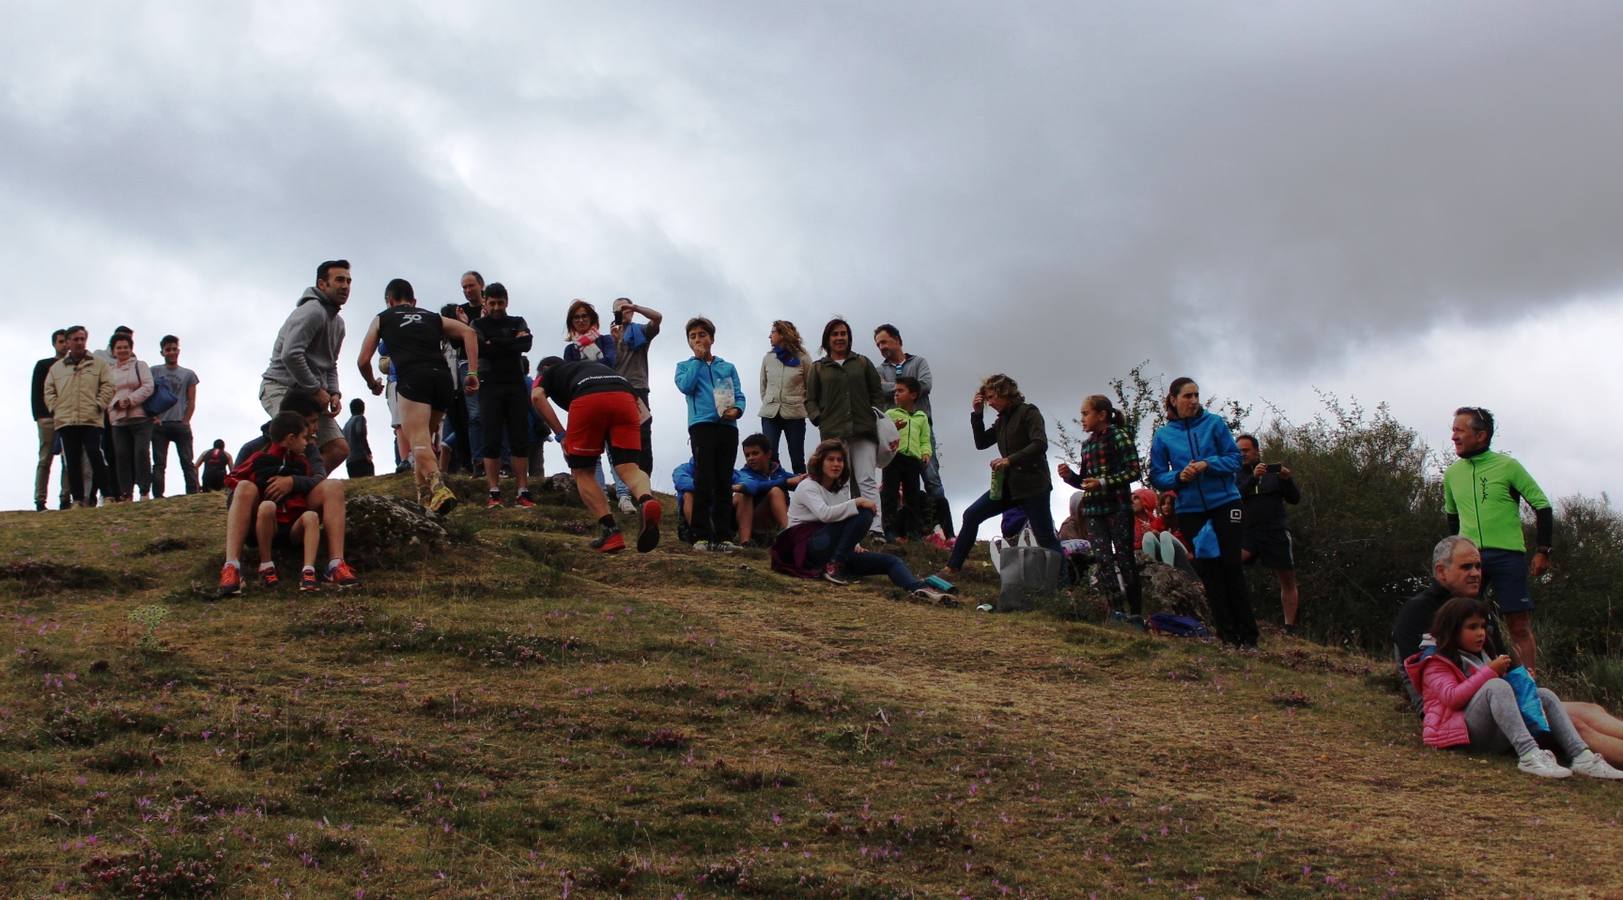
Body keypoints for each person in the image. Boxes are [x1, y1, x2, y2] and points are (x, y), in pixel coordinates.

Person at [1393, 535, 1623, 766]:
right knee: (1575, 722)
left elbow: (1501, 664)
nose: (1475, 573)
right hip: (1455, 714)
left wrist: (1520, 680)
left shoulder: (1478, 611)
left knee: (1589, 709)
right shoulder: (1418, 612)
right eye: (1466, 567)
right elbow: (1430, 683)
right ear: (1441, 571)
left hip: (1494, 697)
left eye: (1478, 566)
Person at [1404, 596, 1621, 779]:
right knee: (1495, 685)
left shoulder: (1479, 657)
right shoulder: (1435, 662)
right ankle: (1528, 755)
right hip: (1459, 736)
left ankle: (1581, 756)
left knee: (1543, 694)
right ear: (1452, 630)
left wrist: (1521, 681)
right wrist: (1490, 672)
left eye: (1482, 627)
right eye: (1472, 627)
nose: (1481, 633)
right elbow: (1453, 698)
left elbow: (1497, 695)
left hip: (1486, 732)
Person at [771, 439, 952, 604]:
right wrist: (856, 502)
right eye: (830, 460)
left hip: (833, 550)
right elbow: (825, 515)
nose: (836, 464)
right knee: (864, 510)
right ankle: (834, 567)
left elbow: (842, 518)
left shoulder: (840, 488)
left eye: (840, 460)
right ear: (820, 462)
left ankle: (919, 589)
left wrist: (854, 542)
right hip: (806, 548)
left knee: (891, 561)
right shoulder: (808, 486)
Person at [1148, 377, 1257, 648]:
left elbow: (1235, 459)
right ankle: (1227, 636)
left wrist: (1208, 464)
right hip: (1191, 510)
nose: (1194, 401)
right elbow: (1158, 476)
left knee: (1232, 566)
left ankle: (1249, 636)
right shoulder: (1163, 436)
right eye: (1188, 396)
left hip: (1226, 502)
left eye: (1196, 395)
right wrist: (1179, 477)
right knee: (1210, 571)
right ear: (1173, 399)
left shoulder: (1214, 423)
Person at [1443, 406, 1552, 674]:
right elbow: (1452, 518)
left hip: (1507, 555)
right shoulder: (1452, 474)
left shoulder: (1507, 466)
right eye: (1453, 430)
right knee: (1463, 619)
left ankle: (1529, 687)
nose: (1454, 436)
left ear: (1481, 436)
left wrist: (1543, 551)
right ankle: (1466, 678)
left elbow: (1543, 506)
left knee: (1518, 623)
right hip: (1470, 558)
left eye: (1460, 430)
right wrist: (1453, 556)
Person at [357, 277, 479, 514]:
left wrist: (372, 383)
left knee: (418, 441)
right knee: (424, 440)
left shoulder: (383, 317)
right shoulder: (432, 316)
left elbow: (363, 360)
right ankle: (423, 497)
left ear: (389, 300)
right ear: (414, 301)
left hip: (413, 379)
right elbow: (469, 333)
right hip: (442, 379)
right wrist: (472, 371)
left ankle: (438, 486)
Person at [936, 374, 1063, 583]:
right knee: (971, 514)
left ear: (1006, 393)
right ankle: (952, 567)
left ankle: (1064, 585)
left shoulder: (1028, 412)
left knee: (1045, 536)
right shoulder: (1002, 420)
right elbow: (982, 442)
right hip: (1009, 485)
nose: (990, 402)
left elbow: (1040, 444)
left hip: (1033, 486)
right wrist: (977, 415)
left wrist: (1010, 460)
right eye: (987, 398)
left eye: (992, 396)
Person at [531, 356, 662, 554]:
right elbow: (643, 415)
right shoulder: (595, 366)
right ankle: (646, 500)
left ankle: (611, 532)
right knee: (629, 468)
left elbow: (536, 397)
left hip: (587, 397)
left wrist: (561, 435)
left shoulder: (548, 373)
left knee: (582, 471)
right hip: (626, 396)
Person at [219, 410, 359, 596]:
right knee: (244, 486)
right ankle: (232, 567)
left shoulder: (308, 450)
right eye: (310, 425)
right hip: (263, 519)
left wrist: (292, 481)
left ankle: (335, 564)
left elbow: (319, 477)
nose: (314, 431)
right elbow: (233, 490)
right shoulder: (253, 449)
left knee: (333, 486)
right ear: (291, 434)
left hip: (296, 519)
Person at [260, 259, 352, 473]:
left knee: (338, 448)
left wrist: (334, 392)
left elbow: (330, 364)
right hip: (281, 386)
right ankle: (259, 484)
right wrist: (317, 389)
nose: (345, 286)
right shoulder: (312, 311)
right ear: (322, 284)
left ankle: (304, 492)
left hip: (311, 394)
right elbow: (291, 354)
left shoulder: (338, 324)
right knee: (297, 440)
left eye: (348, 281)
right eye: (339, 280)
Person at [1058, 394, 1144, 624]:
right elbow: (1086, 481)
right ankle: (1116, 612)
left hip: (1118, 507)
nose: (1083, 419)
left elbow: (1134, 470)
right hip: (1093, 510)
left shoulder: (1119, 436)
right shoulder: (1087, 444)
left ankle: (1136, 614)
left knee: (1125, 559)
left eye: (1086, 414)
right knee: (1103, 560)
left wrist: (1103, 482)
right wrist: (1070, 478)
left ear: (1102, 414)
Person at [805, 318, 886, 537]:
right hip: (833, 433)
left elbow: (876, 393)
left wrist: (874, 413)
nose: (840, 338)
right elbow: (810, 399)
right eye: (835, 334)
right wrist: (818, 418)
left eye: (843, 333)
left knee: (867, 479)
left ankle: (875, 528)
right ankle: (844, 527)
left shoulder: (862, 363)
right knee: (840, 481)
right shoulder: (818, 367)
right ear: (827, 339)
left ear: (849, 337)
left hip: (863, 430)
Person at [675, 317, 745, 551]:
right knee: (703, 479)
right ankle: (701, 536)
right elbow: (686, 386)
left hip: (727, 427)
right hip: (701, 426)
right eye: (693, 336)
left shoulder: (727, 366)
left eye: (702, 335)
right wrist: (697, 359)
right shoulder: (684, 366)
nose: (698, 339)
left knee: (724, 481)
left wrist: (737, 410)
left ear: (712, 338)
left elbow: (739, 395)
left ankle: (725, 537)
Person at [874, 323, 950, 538]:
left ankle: (945, 530)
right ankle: (897, 529)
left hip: (920, 429)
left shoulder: (918, 362)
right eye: (878, 344)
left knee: (930, 477)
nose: (881, 347)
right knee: (892, 485)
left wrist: (893, 386)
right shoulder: (879, 370)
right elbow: (877, 390)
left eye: (884, 341)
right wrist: (904, 388)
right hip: (893, 431)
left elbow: (925, 385)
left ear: (897, 340)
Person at [473, 283, 535, 507]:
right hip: (490, 384)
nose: (497, 307)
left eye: (500, 303)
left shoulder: (517, 320)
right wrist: (511, 343)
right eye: (492, 303)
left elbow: (526, 344)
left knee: (519, 438)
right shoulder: (477, 324)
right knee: (491, 439)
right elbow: (480, 348)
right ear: (485, 303)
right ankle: (494, 491)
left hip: (515, 384)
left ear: (506, 302)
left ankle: (523, 490)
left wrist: (495, 343)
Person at [1235, 433, 1302, 632]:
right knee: (1228, 567)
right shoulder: (1235, 474)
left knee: (1287, 579)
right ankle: (1238, 617)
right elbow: (1235, 496)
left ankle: (1289, 627)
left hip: (1275, 533)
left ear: (1256, 451)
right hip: (1248, 534)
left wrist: (1288, 480)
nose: (1242, 455)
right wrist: (1253, 478)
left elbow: (1295, 499)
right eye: (1238, 451)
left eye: (1246, 451)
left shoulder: (1274, 474)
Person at [43, 326, 114, 508]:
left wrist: (99, 404)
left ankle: (107, 495)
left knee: (95, 455)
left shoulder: (98, 364)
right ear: (67, 342)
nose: (80, 342)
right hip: (66, 420)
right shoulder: (57, 368)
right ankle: (78, 500)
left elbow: (108, 386)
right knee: (72, 461)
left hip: (91, 419)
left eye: (82, 338)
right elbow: (49, 390)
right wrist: (55, 408)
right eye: (76, 339)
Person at [610, 297, 663, 500]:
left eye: (626, 308)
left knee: (643, 436)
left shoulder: (640, 331)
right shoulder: (609, 338)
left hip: (639, 389)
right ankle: (625, 486)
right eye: (620, 309)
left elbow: (658, 318)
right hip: (617, 390)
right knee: (620, 438)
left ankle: (644, 484)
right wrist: (614, 341)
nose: (624, 311)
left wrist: (636, 308)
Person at [880, 377, 933, 542]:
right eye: (895, 391)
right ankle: (888, 530)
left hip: (912, 461)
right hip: (894, 459)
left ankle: (913, 532)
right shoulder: (890, 414)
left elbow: (925, 439)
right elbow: (883, 436)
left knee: (912, 496)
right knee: (890, 494)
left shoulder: (921, 417)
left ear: (913, 395)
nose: (896, 394)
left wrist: (925, 453)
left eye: (900, 391)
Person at [105, 332, 155, 502]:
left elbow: (149, 386)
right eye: (119, 347)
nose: (123, 350)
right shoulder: (108, 371)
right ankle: (126, 493)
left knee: (141, 452)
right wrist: (116, 403)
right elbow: (105, 392)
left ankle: (144, 491)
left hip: (140, 417)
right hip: (118, 420)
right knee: (122, 455)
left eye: (126, 347)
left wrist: (131, 399)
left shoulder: (140, 365)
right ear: (113, 351)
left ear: (131, 349)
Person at [149, 335, 200, 498]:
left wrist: (186, 421)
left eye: (174, 349)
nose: (171, 352)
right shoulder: (154, 371)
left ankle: (192, 493)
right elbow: (148, 395)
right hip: (160, 424)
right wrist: (154, 417)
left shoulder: (189, 374)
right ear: (162, 352)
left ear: (178, 350)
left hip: (180, 423)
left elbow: (191, 400)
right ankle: (158, 495)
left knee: (187, 461)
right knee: (159, 463)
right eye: (168, 349)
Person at [732, 433, 804, 546]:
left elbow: (797, 480)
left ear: (768, 454)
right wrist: (785, 482)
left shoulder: (780, 472)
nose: (750, 458)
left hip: (774, 523)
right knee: (746, 493)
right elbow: (755, 485)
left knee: (803, 490)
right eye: (747, 455)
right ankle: (745, 542)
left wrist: (805, 479)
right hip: (754, 522)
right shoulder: (744, 474)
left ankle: (799, 534)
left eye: (755, 453)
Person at [759, 320, 809, 474]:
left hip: (795, 414)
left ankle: (802, 495)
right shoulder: (768, 358)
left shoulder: (803, 358)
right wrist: (770, 401)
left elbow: (810, 386)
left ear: (782, 334)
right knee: (770, 456)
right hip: (770, 413)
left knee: (797, 458)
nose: (769, 336)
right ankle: (777, 494)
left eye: (773, 332)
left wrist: (800, 404)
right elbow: (763, 386)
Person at [31, 329, 68, 511]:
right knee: (45, 458)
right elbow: (36, 393)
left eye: (65, 341)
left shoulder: (75, 365)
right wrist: (40, 416)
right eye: (60, 341)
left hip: (69, 418)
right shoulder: (43, 365)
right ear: (54, 344)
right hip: (47, 417)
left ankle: (65, 498)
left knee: (67, 458)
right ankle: (40, 499)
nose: (64, 345)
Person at [1141, 491, 1194, 574]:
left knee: (1164, 534)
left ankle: (1168, 573)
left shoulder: (1184, 518)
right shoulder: (1159, 520)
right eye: (1163, 504)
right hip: (1164, 552)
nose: (1165, 507)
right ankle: (1151, 570)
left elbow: (1195, 537)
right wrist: (1149, 530)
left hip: (1184, 552)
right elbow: (1153, 534)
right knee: (1148, 535)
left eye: (1169, 504)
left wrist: (1194, 553)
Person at [342, 398, 374, 479]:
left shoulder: (346, 425)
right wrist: (367, 452)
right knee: (369, 483)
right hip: (361, 458)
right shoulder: (360, 418)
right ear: (363, 408)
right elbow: (361, 433)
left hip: (349, 461)